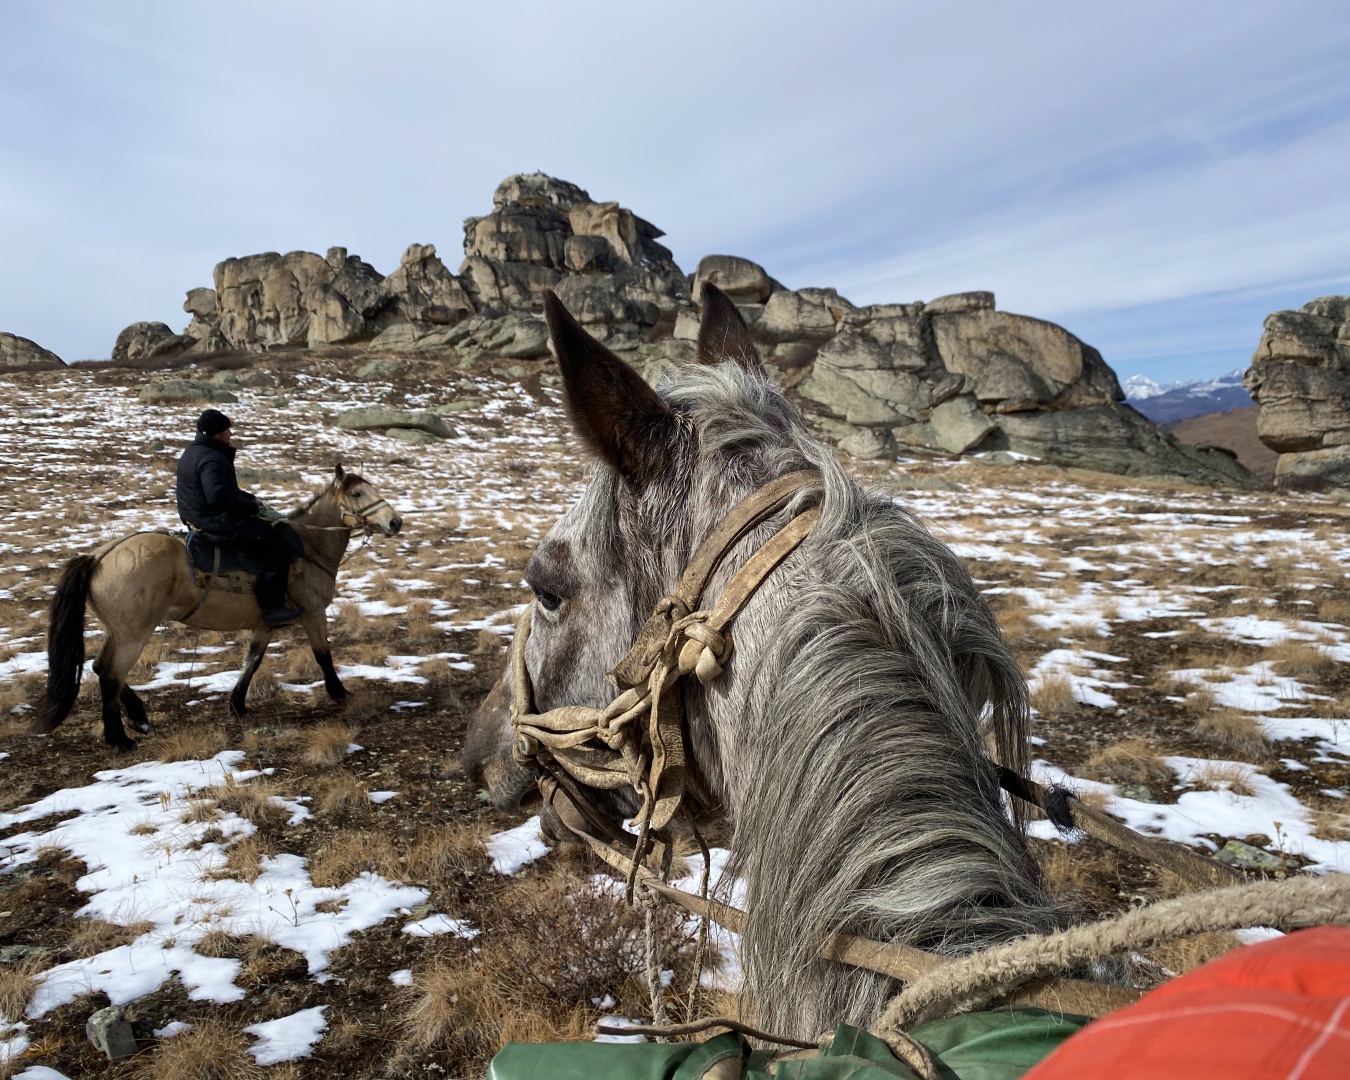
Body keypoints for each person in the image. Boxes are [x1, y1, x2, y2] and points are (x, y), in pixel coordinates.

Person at [176, 408, 305, 627]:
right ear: (217, 433)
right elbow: (218, 496)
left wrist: (250, 499)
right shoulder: (212, 459)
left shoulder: (193, 451)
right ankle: (272, 608)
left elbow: (223, 491)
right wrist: (250, 509)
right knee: (276, 546)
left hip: (196, 517)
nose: (230, 434)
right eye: (227, 429)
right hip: (214, 522)